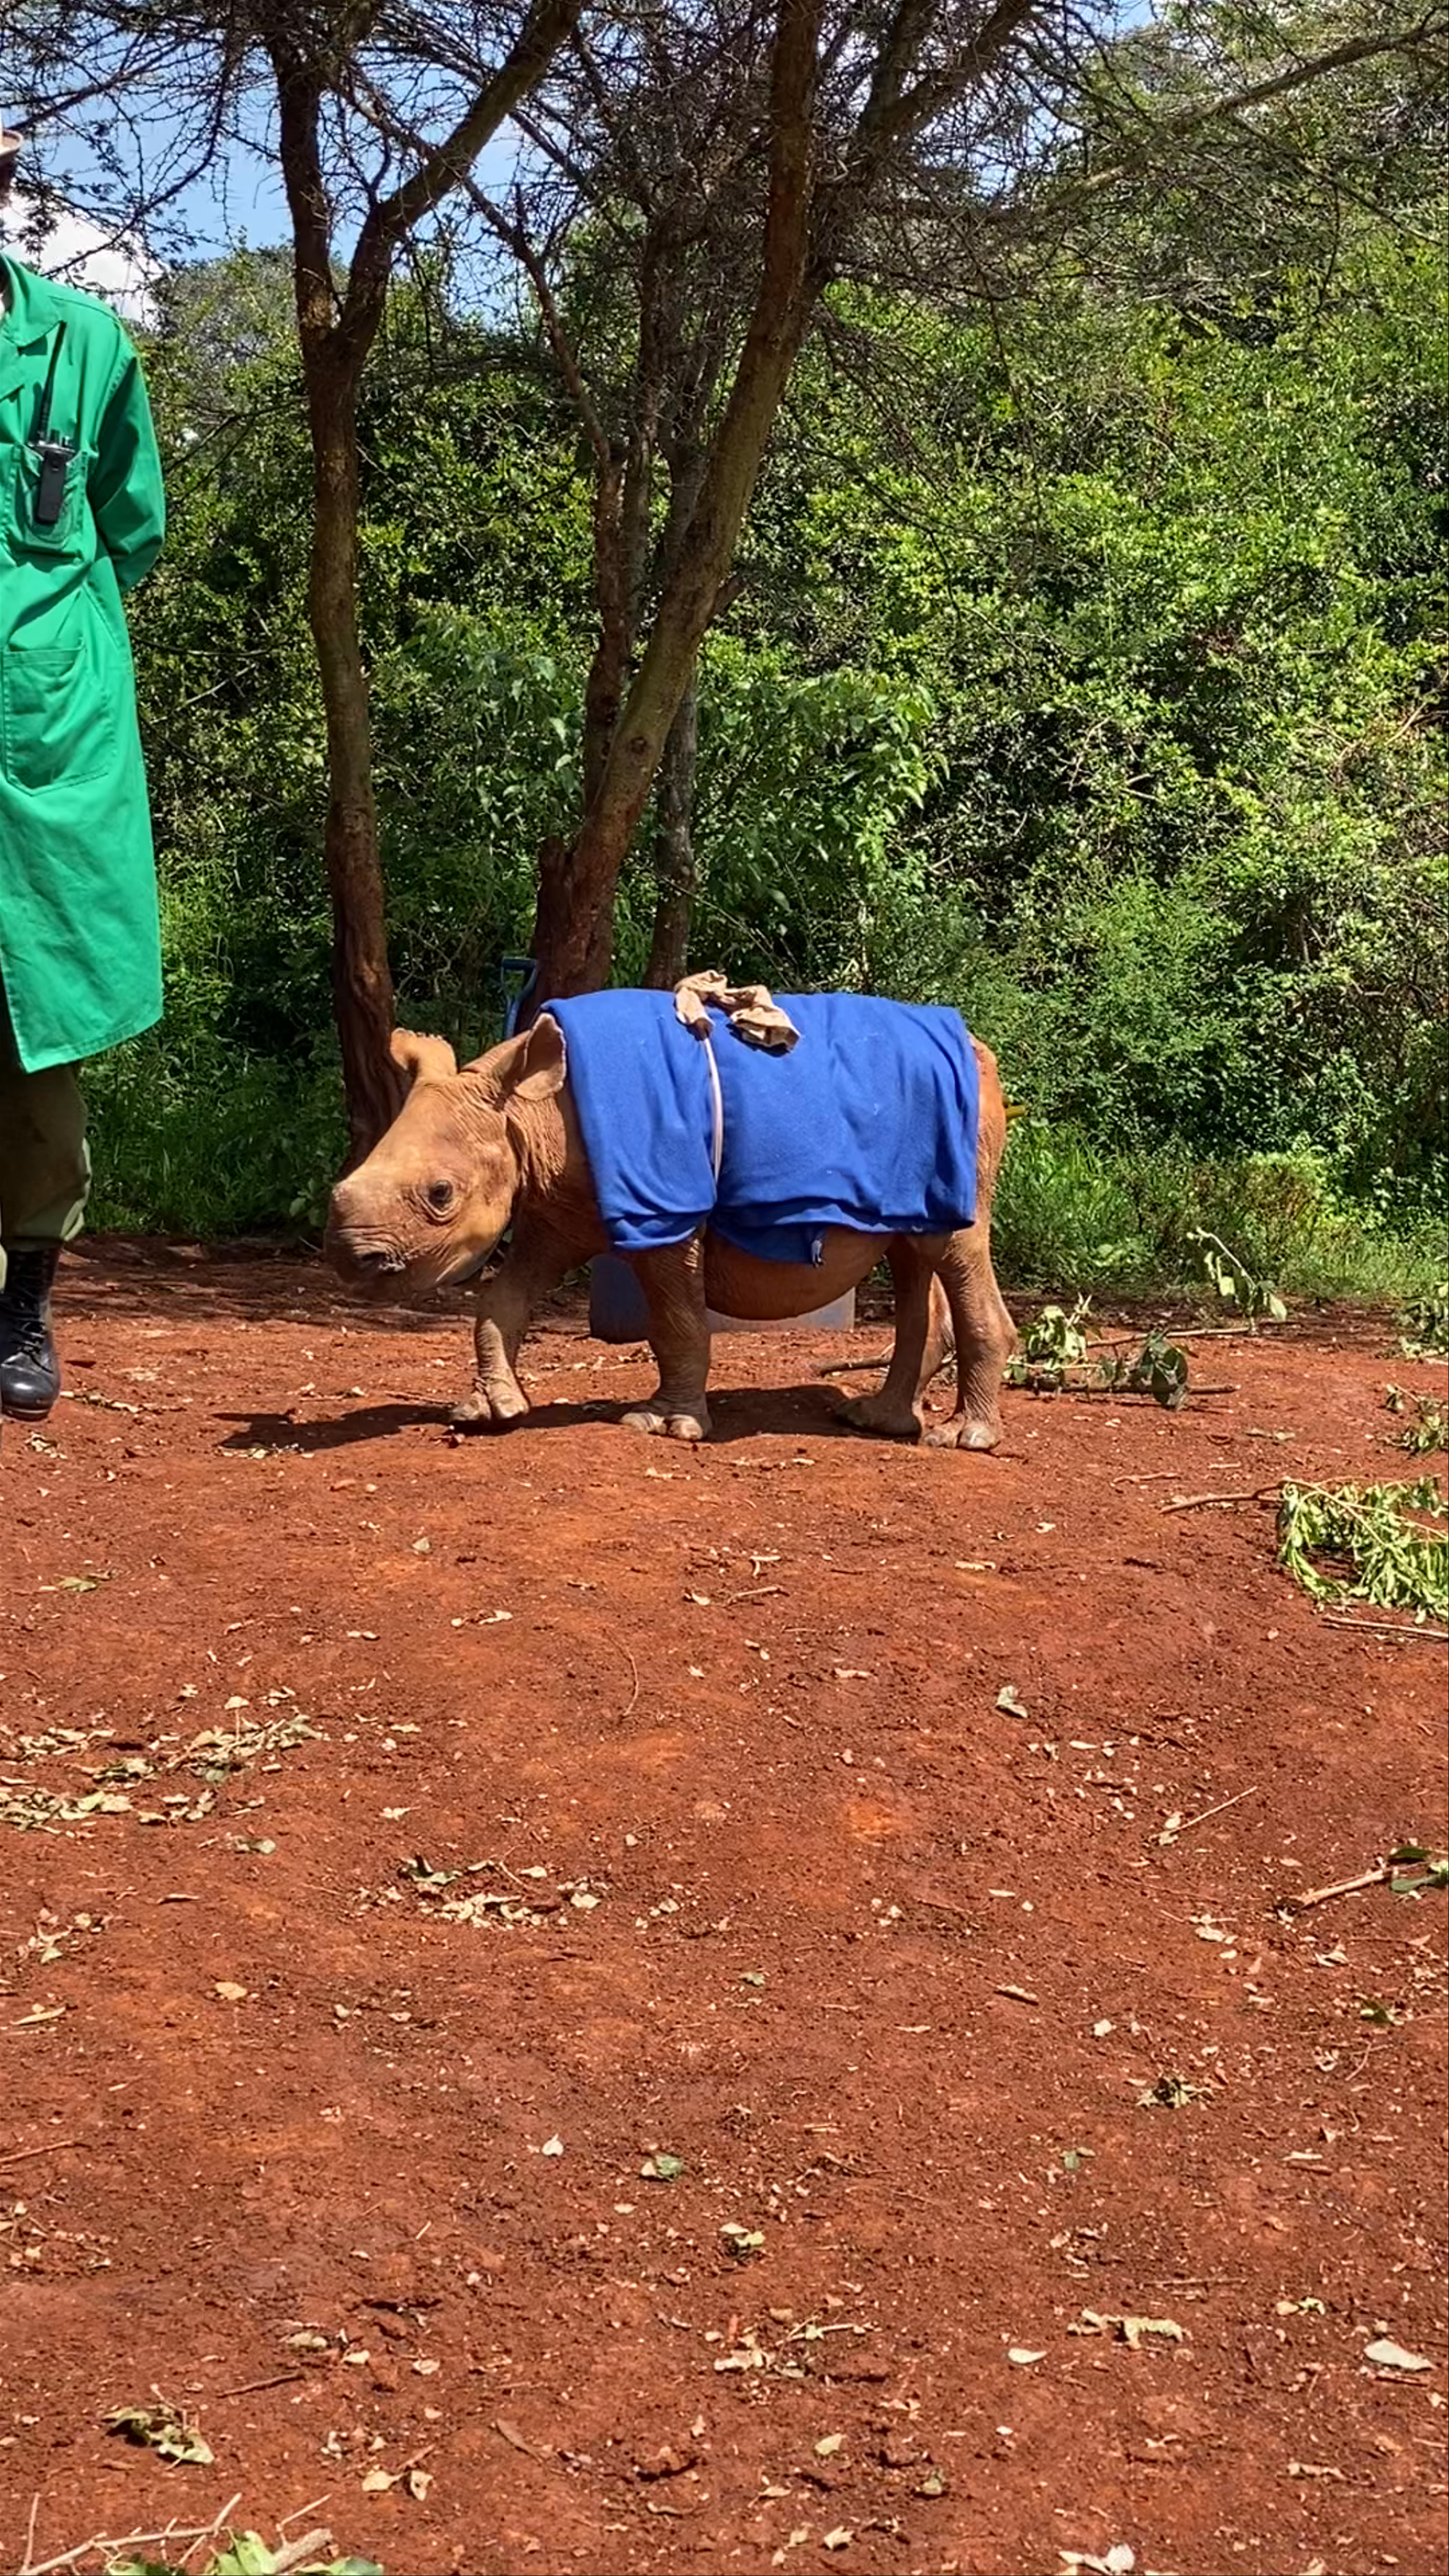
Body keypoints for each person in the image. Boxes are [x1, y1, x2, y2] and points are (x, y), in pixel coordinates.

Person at [0, 124, 165, 1421]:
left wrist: (54, 667)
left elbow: (131, 531)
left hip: (43, 760)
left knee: (34, 1058)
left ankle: (25, 1311)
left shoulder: (83, 346)